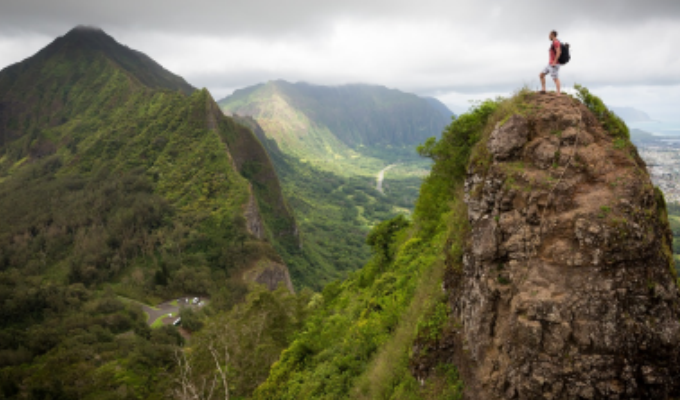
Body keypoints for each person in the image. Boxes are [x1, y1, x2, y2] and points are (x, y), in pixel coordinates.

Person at [540, 30, 562, 95]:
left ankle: (558, 93)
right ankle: (543, 89)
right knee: (541, 75)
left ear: (552, 35)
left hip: (554, 64)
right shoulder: (553, 43)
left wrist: (555, 62)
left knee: (555, 78)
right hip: (550, 64)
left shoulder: (556, 42)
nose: (548, 36)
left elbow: (559, 52)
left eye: (549, 35)